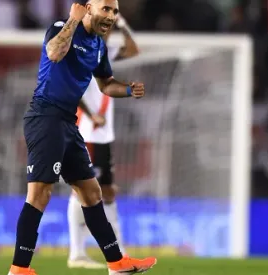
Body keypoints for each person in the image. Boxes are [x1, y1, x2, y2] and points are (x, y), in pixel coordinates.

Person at [8, 1, 157, 275]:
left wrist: (127, 90)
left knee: (91, 192)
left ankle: (116, 263)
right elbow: (54, 53)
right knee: (40, 194)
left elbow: (105, 84)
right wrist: (72, 21)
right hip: (45, 117)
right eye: (105, 9)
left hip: (68, 122)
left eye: (114, 11)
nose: (110, 16)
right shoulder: (60, 28)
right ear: (88, 8)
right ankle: (19, 269)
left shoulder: (99, 46)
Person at [67, 13, 139, 269]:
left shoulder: (105, 52)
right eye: (105, 24)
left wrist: (123, 24)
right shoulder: (82, 52)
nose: (108, 29)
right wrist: (91, 114)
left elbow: (133, 49)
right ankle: (77, 252)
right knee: (82, 190)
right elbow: (70, 89)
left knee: (107, 191)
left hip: (104, 134)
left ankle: (118, 249)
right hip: (88, 132)